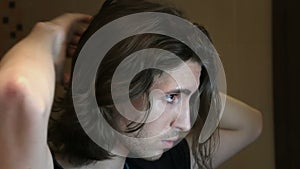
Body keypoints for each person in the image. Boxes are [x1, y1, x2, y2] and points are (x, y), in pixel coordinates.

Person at [0, 0, 263, 169]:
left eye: (189, 100)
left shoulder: (157, 163)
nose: (186, 123)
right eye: (171, 98)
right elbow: (18, 91)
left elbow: (251, 123)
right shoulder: (36, 163)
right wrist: (52, 32)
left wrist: (184, 85)